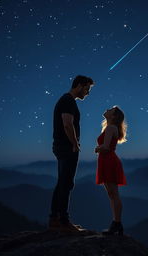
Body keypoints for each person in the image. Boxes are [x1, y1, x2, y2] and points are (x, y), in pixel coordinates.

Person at [49, 75, 94, 232]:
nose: (87, 93)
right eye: (87, 89)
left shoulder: (66, 100)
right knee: (67, 183)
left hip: (62, 146)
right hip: (67, 147)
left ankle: (55, 219)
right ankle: (63, 221)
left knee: (62, 182)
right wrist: (75, 144)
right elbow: (67, 124)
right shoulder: (68, 101)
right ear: (80, 85)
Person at [95, 106, 127, 235]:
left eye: (110, 110)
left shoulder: (110, 128)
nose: (107, 110)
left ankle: (117, 223)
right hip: (107, 161)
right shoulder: (111, 128)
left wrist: (97, 149)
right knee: (112, 195)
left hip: (108, 161)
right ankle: (116, 223)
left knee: (113, 195)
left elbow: (106, 148)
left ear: (113, 116)